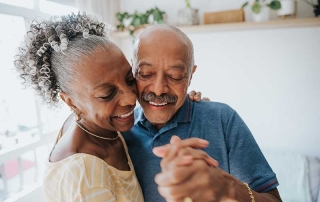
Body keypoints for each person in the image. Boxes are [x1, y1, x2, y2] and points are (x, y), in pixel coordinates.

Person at [13, 13, 213, 202]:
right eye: (107, 94)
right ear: (71, 102)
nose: (130, 98)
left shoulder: (98, 125)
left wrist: (177, 98)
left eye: (129, 79)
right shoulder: (84, 177)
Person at [122, 24, 283, 202]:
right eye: (145, 73)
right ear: (133, 70)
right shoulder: (120, 132)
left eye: (175, 76)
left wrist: (229, 188)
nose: (159, 89)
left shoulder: (223, 120)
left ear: (191, 75)